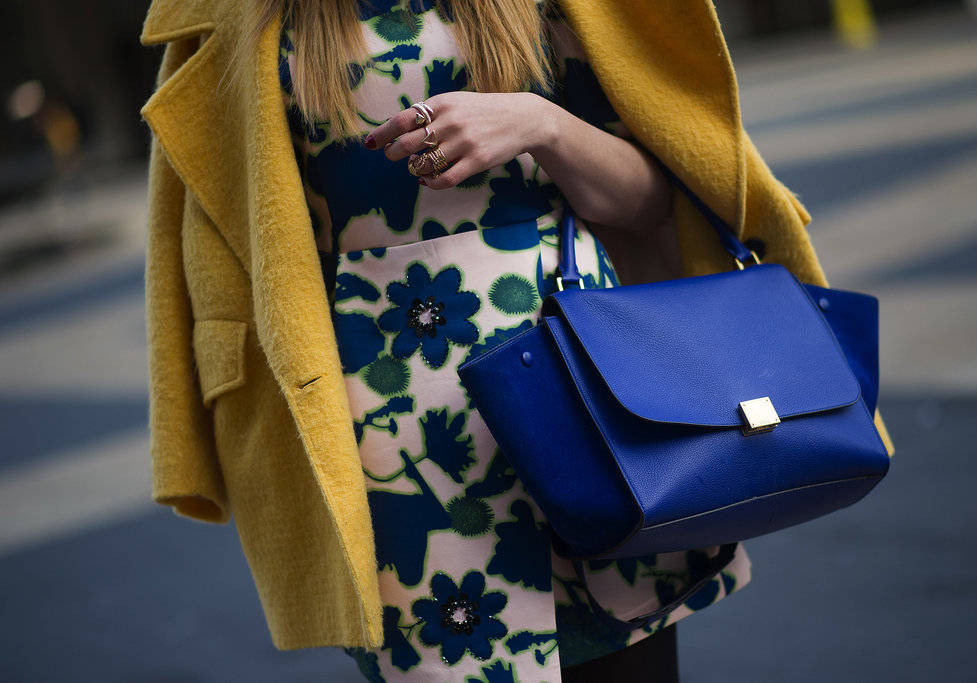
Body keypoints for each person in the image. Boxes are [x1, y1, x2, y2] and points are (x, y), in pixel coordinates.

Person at [141, 0, 848, 680]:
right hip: (389, 426)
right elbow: (211, 254)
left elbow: (653, 203)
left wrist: (542, 125)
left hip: (589, 386)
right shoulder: (254, 15)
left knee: (626, 654)